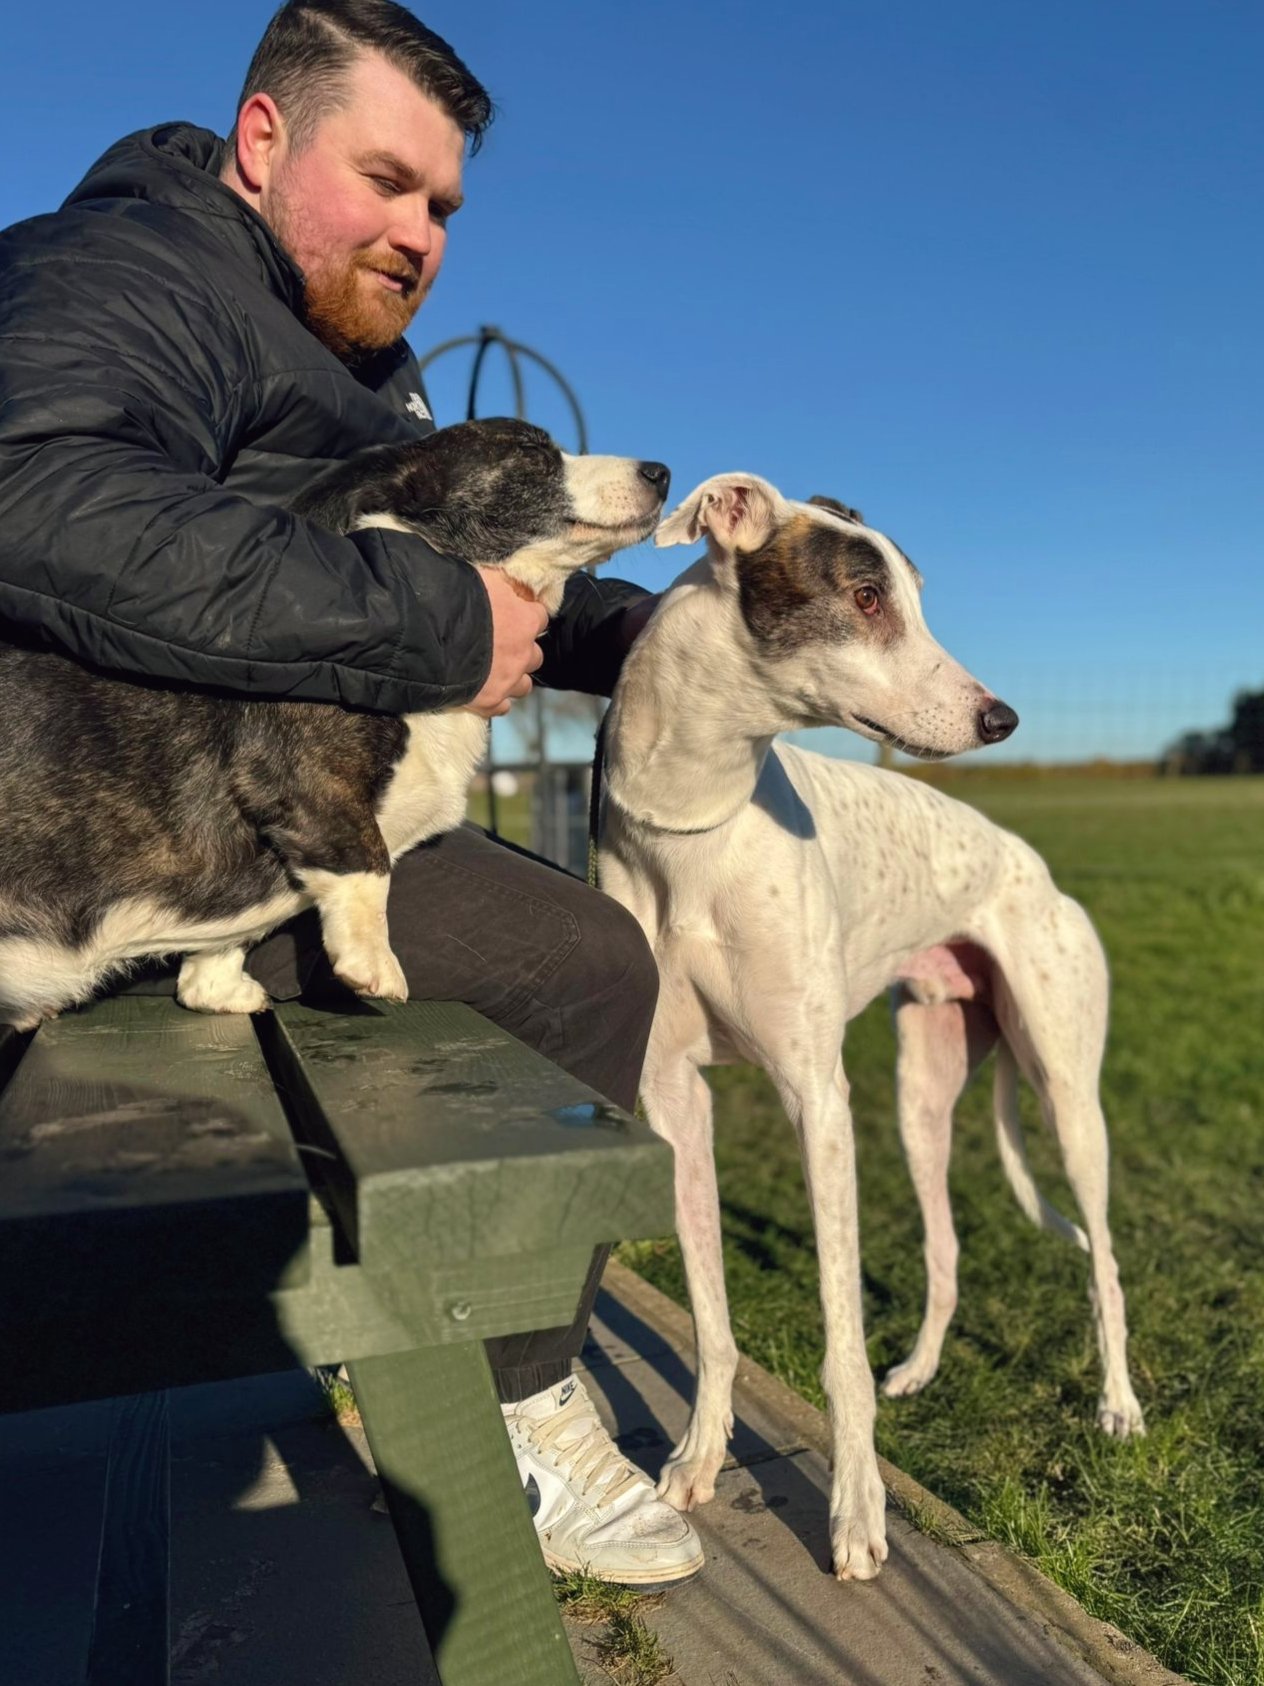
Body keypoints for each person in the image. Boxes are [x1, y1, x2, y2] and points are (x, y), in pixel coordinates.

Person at [0, 0, 701, 1589]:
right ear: (262, 142)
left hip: (288, 820)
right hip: (82, 814)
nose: (420, 234)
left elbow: (491, 570)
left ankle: (513, 1390)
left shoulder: (375, 375)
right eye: (388, 181)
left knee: (583, 958)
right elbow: (37, 497)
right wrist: (445, 630)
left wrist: (671, 643)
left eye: (444, 206)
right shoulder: (123, 272)